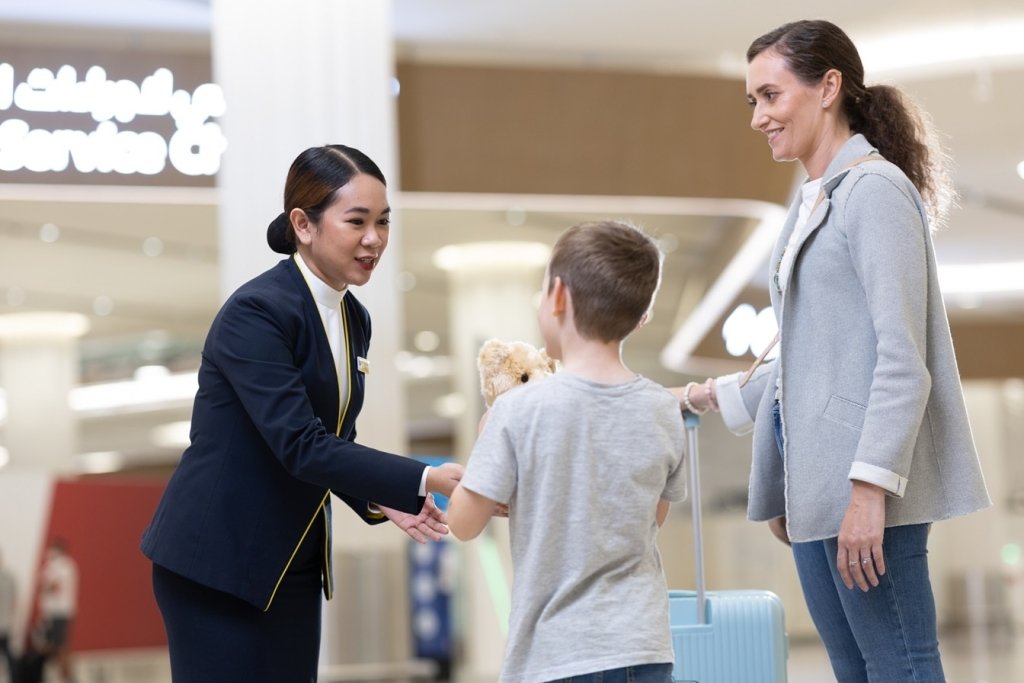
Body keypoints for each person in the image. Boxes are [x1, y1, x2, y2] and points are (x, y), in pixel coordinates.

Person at [673, 19, 990, 682]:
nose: (758, 117)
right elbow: (806, 357)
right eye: (753, 101)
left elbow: (902, 359)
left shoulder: (874, 191)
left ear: (828, 88)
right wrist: (709, 395)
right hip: (816, 482)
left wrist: (869, 491)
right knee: (855, 669)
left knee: (899, 665)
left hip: (861, 483)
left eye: (771, 95)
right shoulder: (812, 202)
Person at [140, 144, 463, 682]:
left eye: (383, 221)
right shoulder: (258, 311)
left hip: (290, 559)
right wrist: (424, 476)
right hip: (216, 561)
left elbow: (334, 438)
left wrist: (384, 496)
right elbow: (299, 444)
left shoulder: (353, 317)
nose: (374, 238)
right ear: (303, 224)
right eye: (357, 221)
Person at [448, 220, 688, 683]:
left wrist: (486, 443)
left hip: (554, 653)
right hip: (644, 646)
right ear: (641, 316)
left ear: (557, 296)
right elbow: (653, 516)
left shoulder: (517, 410)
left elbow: (463, 522)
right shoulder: (662, 409)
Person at [36, 538, 77, 683]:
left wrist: (44, 584)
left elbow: (52, 586)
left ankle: (67, 677)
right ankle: (63, 676)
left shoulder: (63, 566)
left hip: (59, 613)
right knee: (54, 645)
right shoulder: (58, 566)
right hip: (55, 613)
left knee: (60, 646)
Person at [0, 547, 15, 683]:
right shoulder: (10, 577)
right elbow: (14, 602)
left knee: (7, 655)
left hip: (3, 624)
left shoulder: (8, 577)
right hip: (6, 623)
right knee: (7, 655)